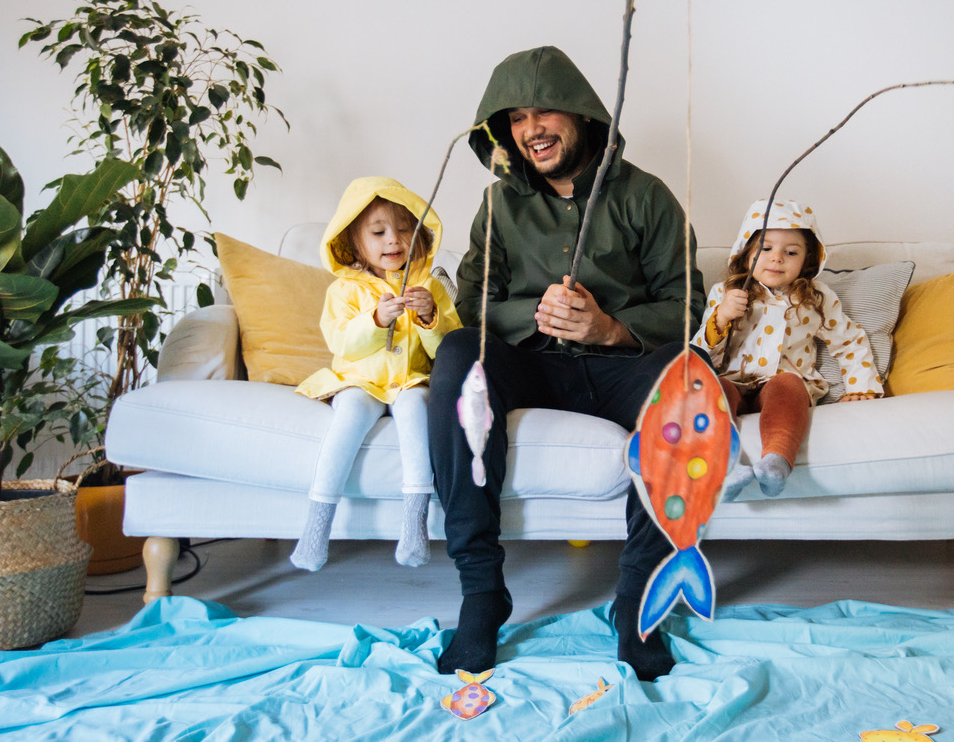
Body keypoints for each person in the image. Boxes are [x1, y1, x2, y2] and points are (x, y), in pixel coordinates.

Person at [428, 45, 705, 681]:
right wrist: (536, 314)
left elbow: (687, 307)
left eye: (546, 110)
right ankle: (481, 595)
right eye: (518, 118)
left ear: (581, 114)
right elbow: (472, 304)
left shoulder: (647, 196)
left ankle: (636, 597)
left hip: (618, 369)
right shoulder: (497, 206)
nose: (533, 130)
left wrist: (610, 327)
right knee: (456, 353)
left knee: (691, 378)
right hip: (531, 367)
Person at [292, 176, 461, 571]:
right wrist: (375, 319)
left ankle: (414, 525)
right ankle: (316, 530)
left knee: (418, 413)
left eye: (405, 230)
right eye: (379, 232)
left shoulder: (430, 286)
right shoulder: (344, 290)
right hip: (360, 381)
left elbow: (448, 351)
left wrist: (428, 316)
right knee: (348, 417)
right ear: (354, 243)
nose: (394, 241)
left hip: (411, 381)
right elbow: (342, 344)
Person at [694, 198, 882, 501]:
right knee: (712, 390)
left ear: (807, 260)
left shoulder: (815, 298)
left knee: (788, 385)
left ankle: (776, 462)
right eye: (765, 249)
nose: (777, 258)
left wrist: (861, 386)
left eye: (790, 252)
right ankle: (723, 467)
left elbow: (848, 341)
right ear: (746, 253)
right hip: (733, 381)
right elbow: (701, 354)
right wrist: (722, 317)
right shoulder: (726, 293)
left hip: (782, 383)